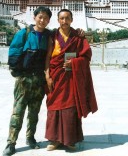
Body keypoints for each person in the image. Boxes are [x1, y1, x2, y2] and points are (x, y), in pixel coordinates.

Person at [44, 9, 98, 151]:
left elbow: (86, 57)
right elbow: (48, 58)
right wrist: (47, 76)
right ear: (58, 20)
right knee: (53, 107)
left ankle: (69, 140)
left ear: (72, 20)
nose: (64, 21)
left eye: (67, 18)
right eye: (61, 18)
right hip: (56, 77)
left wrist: (74, 62)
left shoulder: (78, 37)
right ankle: (54, 140)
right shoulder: (52, 36)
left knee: (70, 108)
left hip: (71, 79)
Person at [2, 6, 52, 156]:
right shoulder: (24, 33)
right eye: (40, 17)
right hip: (24, 80)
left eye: (46, 18)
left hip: (39, 80)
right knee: (18, 112)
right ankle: (11, 143)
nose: (42, 20)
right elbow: (14, 52)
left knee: (34, 113)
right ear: (35, 17)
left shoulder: (49, 36)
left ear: (49, 20)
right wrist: (18, 73)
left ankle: (30, 138)